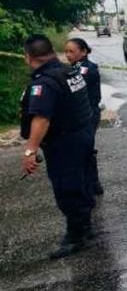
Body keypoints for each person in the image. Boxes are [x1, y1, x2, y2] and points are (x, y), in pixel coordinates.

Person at [20, 34, 95, 259]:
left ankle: (76, 237)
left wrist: (30, 150)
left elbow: (41, 119)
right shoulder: (69, 71)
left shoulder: (45, 82)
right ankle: (85, 227)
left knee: (67, 188)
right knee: (81, 183)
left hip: (65, 143)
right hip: (82, 134)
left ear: (28, 57)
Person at [64, 37, 103, 195]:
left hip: (88, 114)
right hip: (80, 115)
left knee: (85, 149)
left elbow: (74, 89)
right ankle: (91, 184)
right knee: (83, 149)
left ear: (84, 51)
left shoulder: (87, 69)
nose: (68, 55)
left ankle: (92, 184)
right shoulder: (75, 67)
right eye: (66, 51)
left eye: (72, 51)